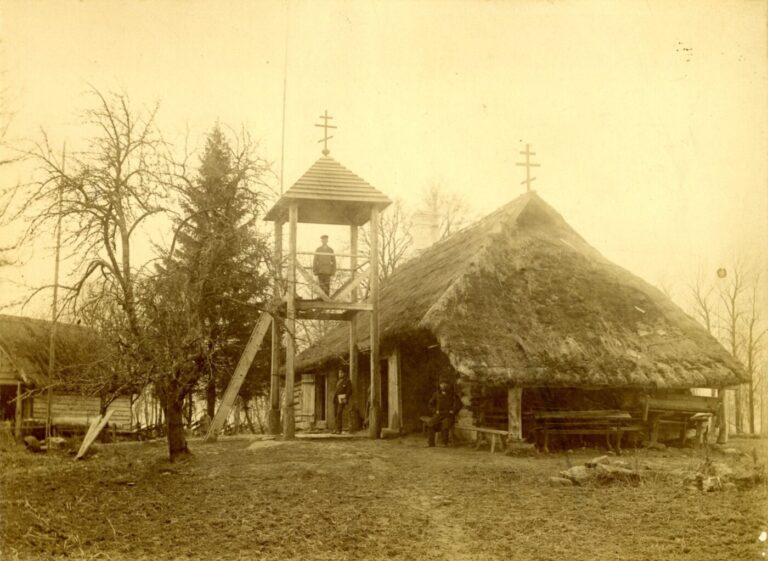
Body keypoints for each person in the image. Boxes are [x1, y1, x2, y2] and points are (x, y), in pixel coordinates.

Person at [426, 377, 462, 447]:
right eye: (441, 384)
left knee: (445, 424)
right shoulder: (436, 394)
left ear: (448, 385)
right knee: (430, 424)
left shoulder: (452, 394)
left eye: (445, 384)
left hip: (449, 415)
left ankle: (444, 443)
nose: (443, 386)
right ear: (439, 385)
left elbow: (459, 404)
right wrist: (435, 411)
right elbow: (430, 404)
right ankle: (431, 443)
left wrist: (453, 411)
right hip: (439, 415)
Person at [333, 369, 354, 434]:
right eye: (339, 373)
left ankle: (339, 429)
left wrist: (346, 398)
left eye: (341, 373)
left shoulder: (347, 381)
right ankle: (336, 429)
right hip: (336, 399)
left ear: (344, 373)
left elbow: (349, 390)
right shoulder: (338, 381)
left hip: (342, 398)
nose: (340, 374)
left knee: (339, 413)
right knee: (335, 414)